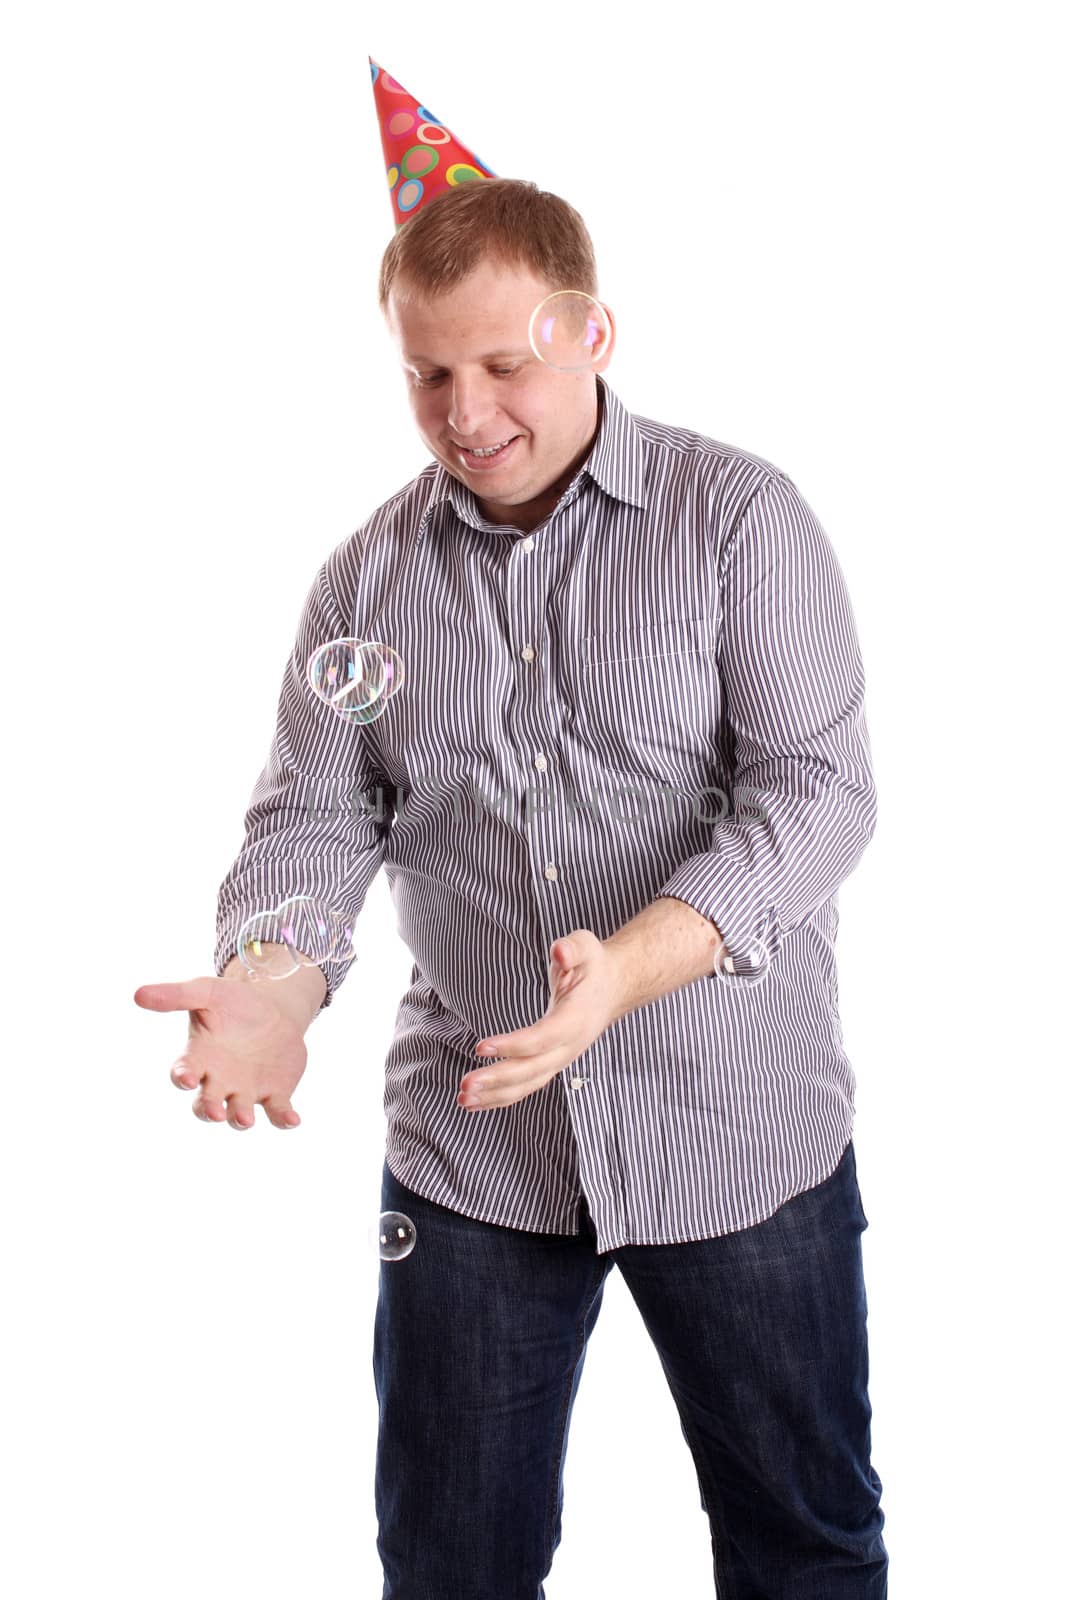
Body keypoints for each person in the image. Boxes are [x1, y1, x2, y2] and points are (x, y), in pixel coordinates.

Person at [135, 177, 888, 1598]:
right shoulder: (365, 580)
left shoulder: (738, 521)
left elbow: (821, 791)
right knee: (451, 1565)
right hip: (476, 1157)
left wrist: (637, 964)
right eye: (427, 372)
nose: (463, 409)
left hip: (738, 1135)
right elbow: (316, 817)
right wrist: (273, 988)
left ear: (592, 332)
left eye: (503, 363)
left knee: (807, 1548)